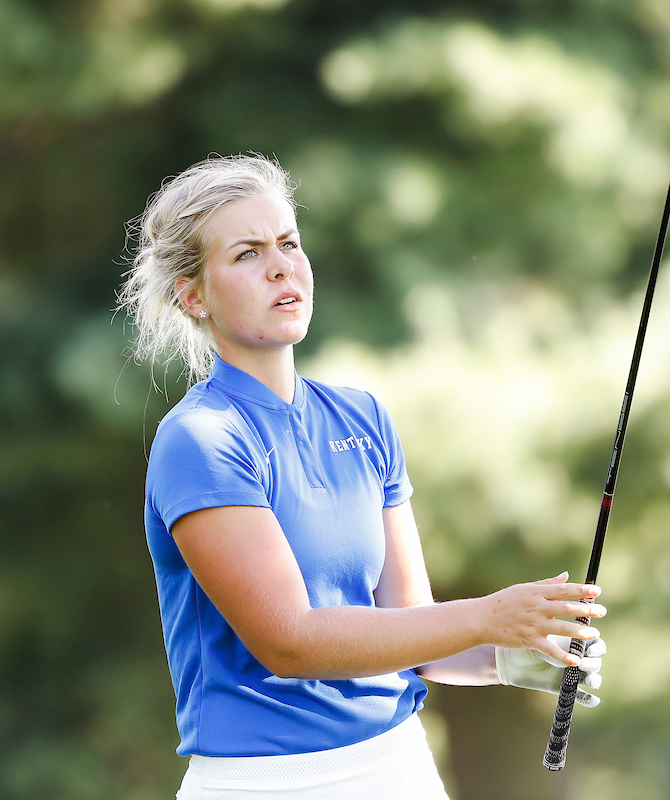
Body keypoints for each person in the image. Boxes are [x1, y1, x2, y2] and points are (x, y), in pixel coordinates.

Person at [118, 154, 607, 799]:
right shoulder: (200, 438)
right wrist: (490, 615)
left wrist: (513, 657)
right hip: (264, 785)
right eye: (247, 254)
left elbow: (413, 629)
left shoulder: (362, 416)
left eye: (290, 243)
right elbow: (290, 643)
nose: (281, 266)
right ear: (192, 294)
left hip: (398, 769)